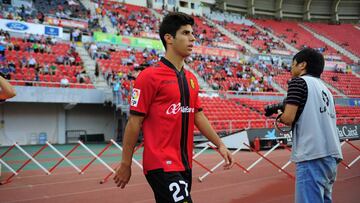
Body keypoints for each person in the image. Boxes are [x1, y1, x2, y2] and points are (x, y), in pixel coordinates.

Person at [113, 12, 234, 203]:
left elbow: (198, 116)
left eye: (192, 33)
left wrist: (220, 144)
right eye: (186, 33)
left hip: (185, 165)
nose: (193, 38)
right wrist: (125, 164)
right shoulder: (149, 77)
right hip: (161, 164)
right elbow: (134, 122)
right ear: (169, 38)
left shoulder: (191, 79)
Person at [278, 48, 343, 203]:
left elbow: (288, 118)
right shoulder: (327, 90)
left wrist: (280, 115)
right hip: (331, 156)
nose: (291, 68)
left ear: (302, 65)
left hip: (312, 154)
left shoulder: (298, 82)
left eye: (293, 64)